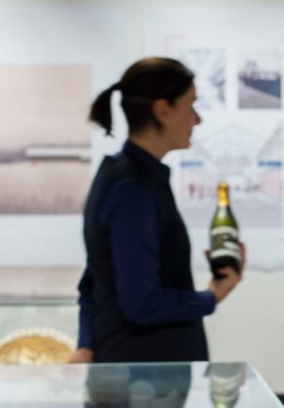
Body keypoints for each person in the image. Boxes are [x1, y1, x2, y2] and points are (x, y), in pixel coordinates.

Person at [70, 57, 244, 363]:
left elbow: (93, 280)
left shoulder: (120, 176)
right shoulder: (135, 189)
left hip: (130, 372)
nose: (197, 119)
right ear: (162, 110)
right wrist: (211, 296)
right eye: (190, 105)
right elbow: (142, 303)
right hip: (144, 380)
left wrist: (86, 345)